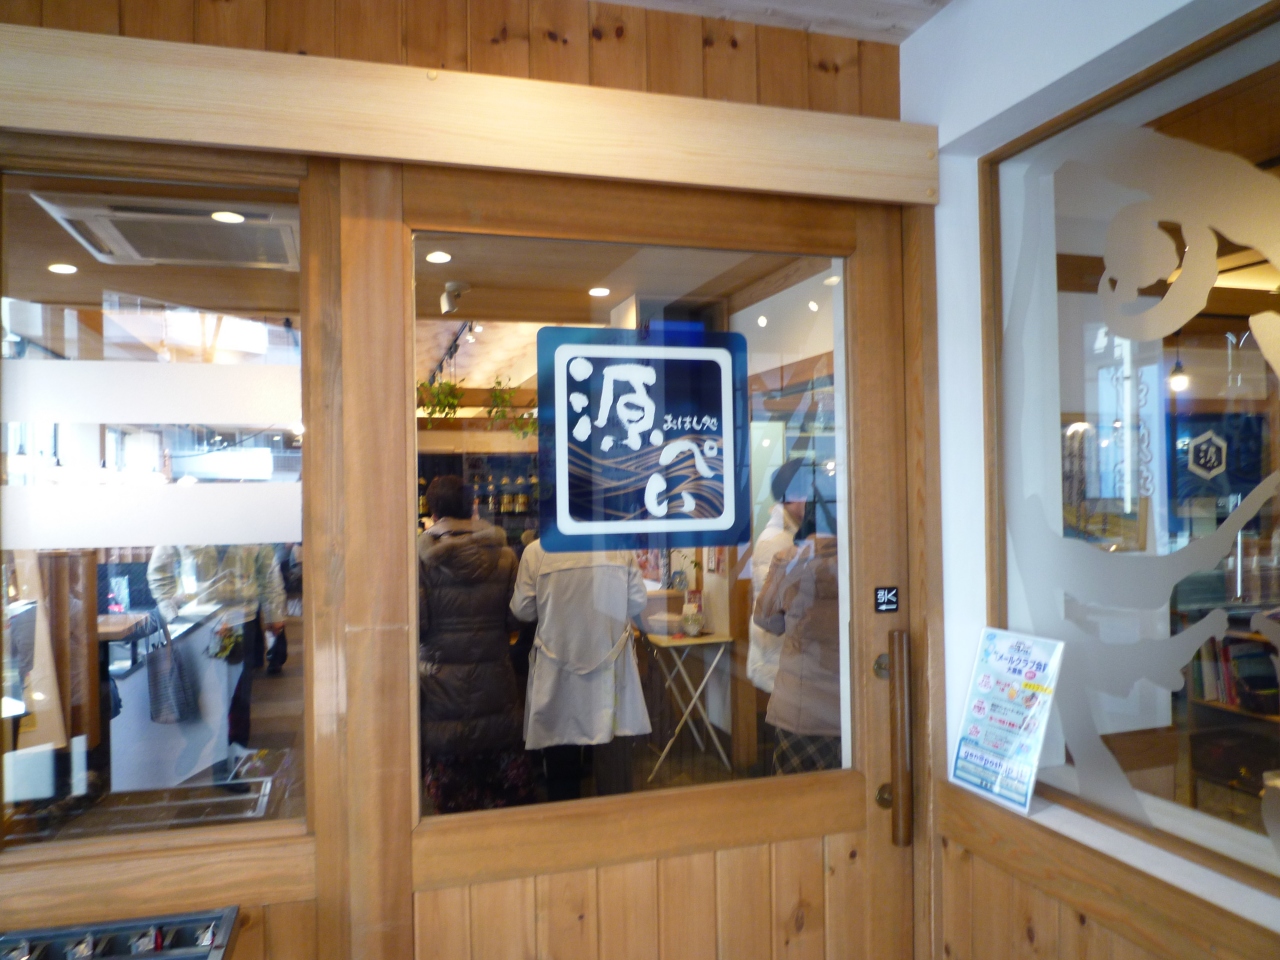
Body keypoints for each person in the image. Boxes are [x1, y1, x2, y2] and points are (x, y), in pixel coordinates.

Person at [418, 475, 533, 813]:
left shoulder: (421, 560)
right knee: (502, 800)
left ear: (433, 512)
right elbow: (515, 620)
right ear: (473, 507)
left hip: (442, 687)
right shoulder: (505, 556)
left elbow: (419, 625)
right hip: (494, 679)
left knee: (453, 805)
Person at [510, 542, 650, 798]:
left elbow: (523, 609)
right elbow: (637, 603)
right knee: (612, 761)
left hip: (557, 670)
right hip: (608, 669)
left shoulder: (536, 552)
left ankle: (567, 817)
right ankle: (615, 817)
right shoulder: (617, 548)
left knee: (561, 760)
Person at [146, 543, 286, 778]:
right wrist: (172, 611)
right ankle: (199, 738)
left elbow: (268, 570)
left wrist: (274, 613)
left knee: (238, 696)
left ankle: (230, 762)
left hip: (240, 617)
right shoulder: (182, 524)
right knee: (190, 689)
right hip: (196, 618)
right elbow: (159, 570)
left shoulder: (253, 525)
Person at [752, 461, 842, 774]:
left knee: (797, 795)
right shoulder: (864, 559)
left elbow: (766, 619)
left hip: (800, 707)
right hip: (852, 707)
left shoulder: (789, 559)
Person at [747, 459, 807, 693]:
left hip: (788, 660)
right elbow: (773, 612)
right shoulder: (776, 541)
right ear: (794, 496)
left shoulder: (794, 536)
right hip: (777, 661)